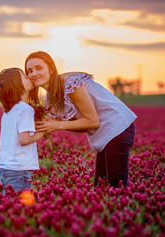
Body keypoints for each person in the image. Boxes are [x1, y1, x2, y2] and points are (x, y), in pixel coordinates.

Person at [25, 51, 137, 188]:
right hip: (104, 133)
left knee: (115, 186)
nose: (34, 74)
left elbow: (93, 122)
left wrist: (58, 125)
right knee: (100, 186)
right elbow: (84, 125)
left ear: (52, 68)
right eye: (29, 71)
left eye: (38, 68)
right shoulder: (51, 98)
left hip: (118, 126)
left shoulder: (70, 83)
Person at [0, 67, 45, 194]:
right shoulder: (25, 109)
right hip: (19, 169)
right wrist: (42, 132)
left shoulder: (8, 112)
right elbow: (24, 139)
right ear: (18, 86)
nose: (29, 76)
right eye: (25, 77)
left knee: (8, 203)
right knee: (20, 206)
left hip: (4, 168)